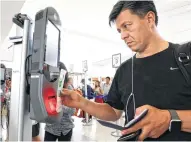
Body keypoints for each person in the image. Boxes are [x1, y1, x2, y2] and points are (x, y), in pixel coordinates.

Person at [61, 1, 191, 141]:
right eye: (119, 30)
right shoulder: (124, 70)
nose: (122, 36)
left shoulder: (185, 56)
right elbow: (114, 112)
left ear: (149, 19)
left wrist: (170, 118)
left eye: (127, 26)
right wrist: (81, 102)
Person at [44, 62, 75, 141]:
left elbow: (72, 111)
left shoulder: (68, 89)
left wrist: (59, 106)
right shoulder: (48, 86)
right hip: (50, 128)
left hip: (65, 130)